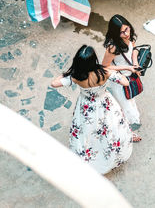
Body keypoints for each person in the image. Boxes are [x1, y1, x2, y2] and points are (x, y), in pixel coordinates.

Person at [51, 45, 141, 175]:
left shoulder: (75, 76)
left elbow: (54, 83)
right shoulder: (104, 72)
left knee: (87, 131)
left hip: (86, 108)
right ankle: (116, 150)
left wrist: (67, 73)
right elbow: (126, 82)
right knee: (113, 126)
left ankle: (91, 156)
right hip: (105, 103)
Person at [102, 14, 142, 126]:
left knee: (129, 101)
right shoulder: (113, 47)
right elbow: (105, 66)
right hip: (120, 80)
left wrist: (135, 63)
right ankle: (128, 130)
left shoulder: (129, 37)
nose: (126, 34)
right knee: (126, 107)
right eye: (121, 32)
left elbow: (133, 48)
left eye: (127, 29)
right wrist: (128, 67)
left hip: (130, 75)